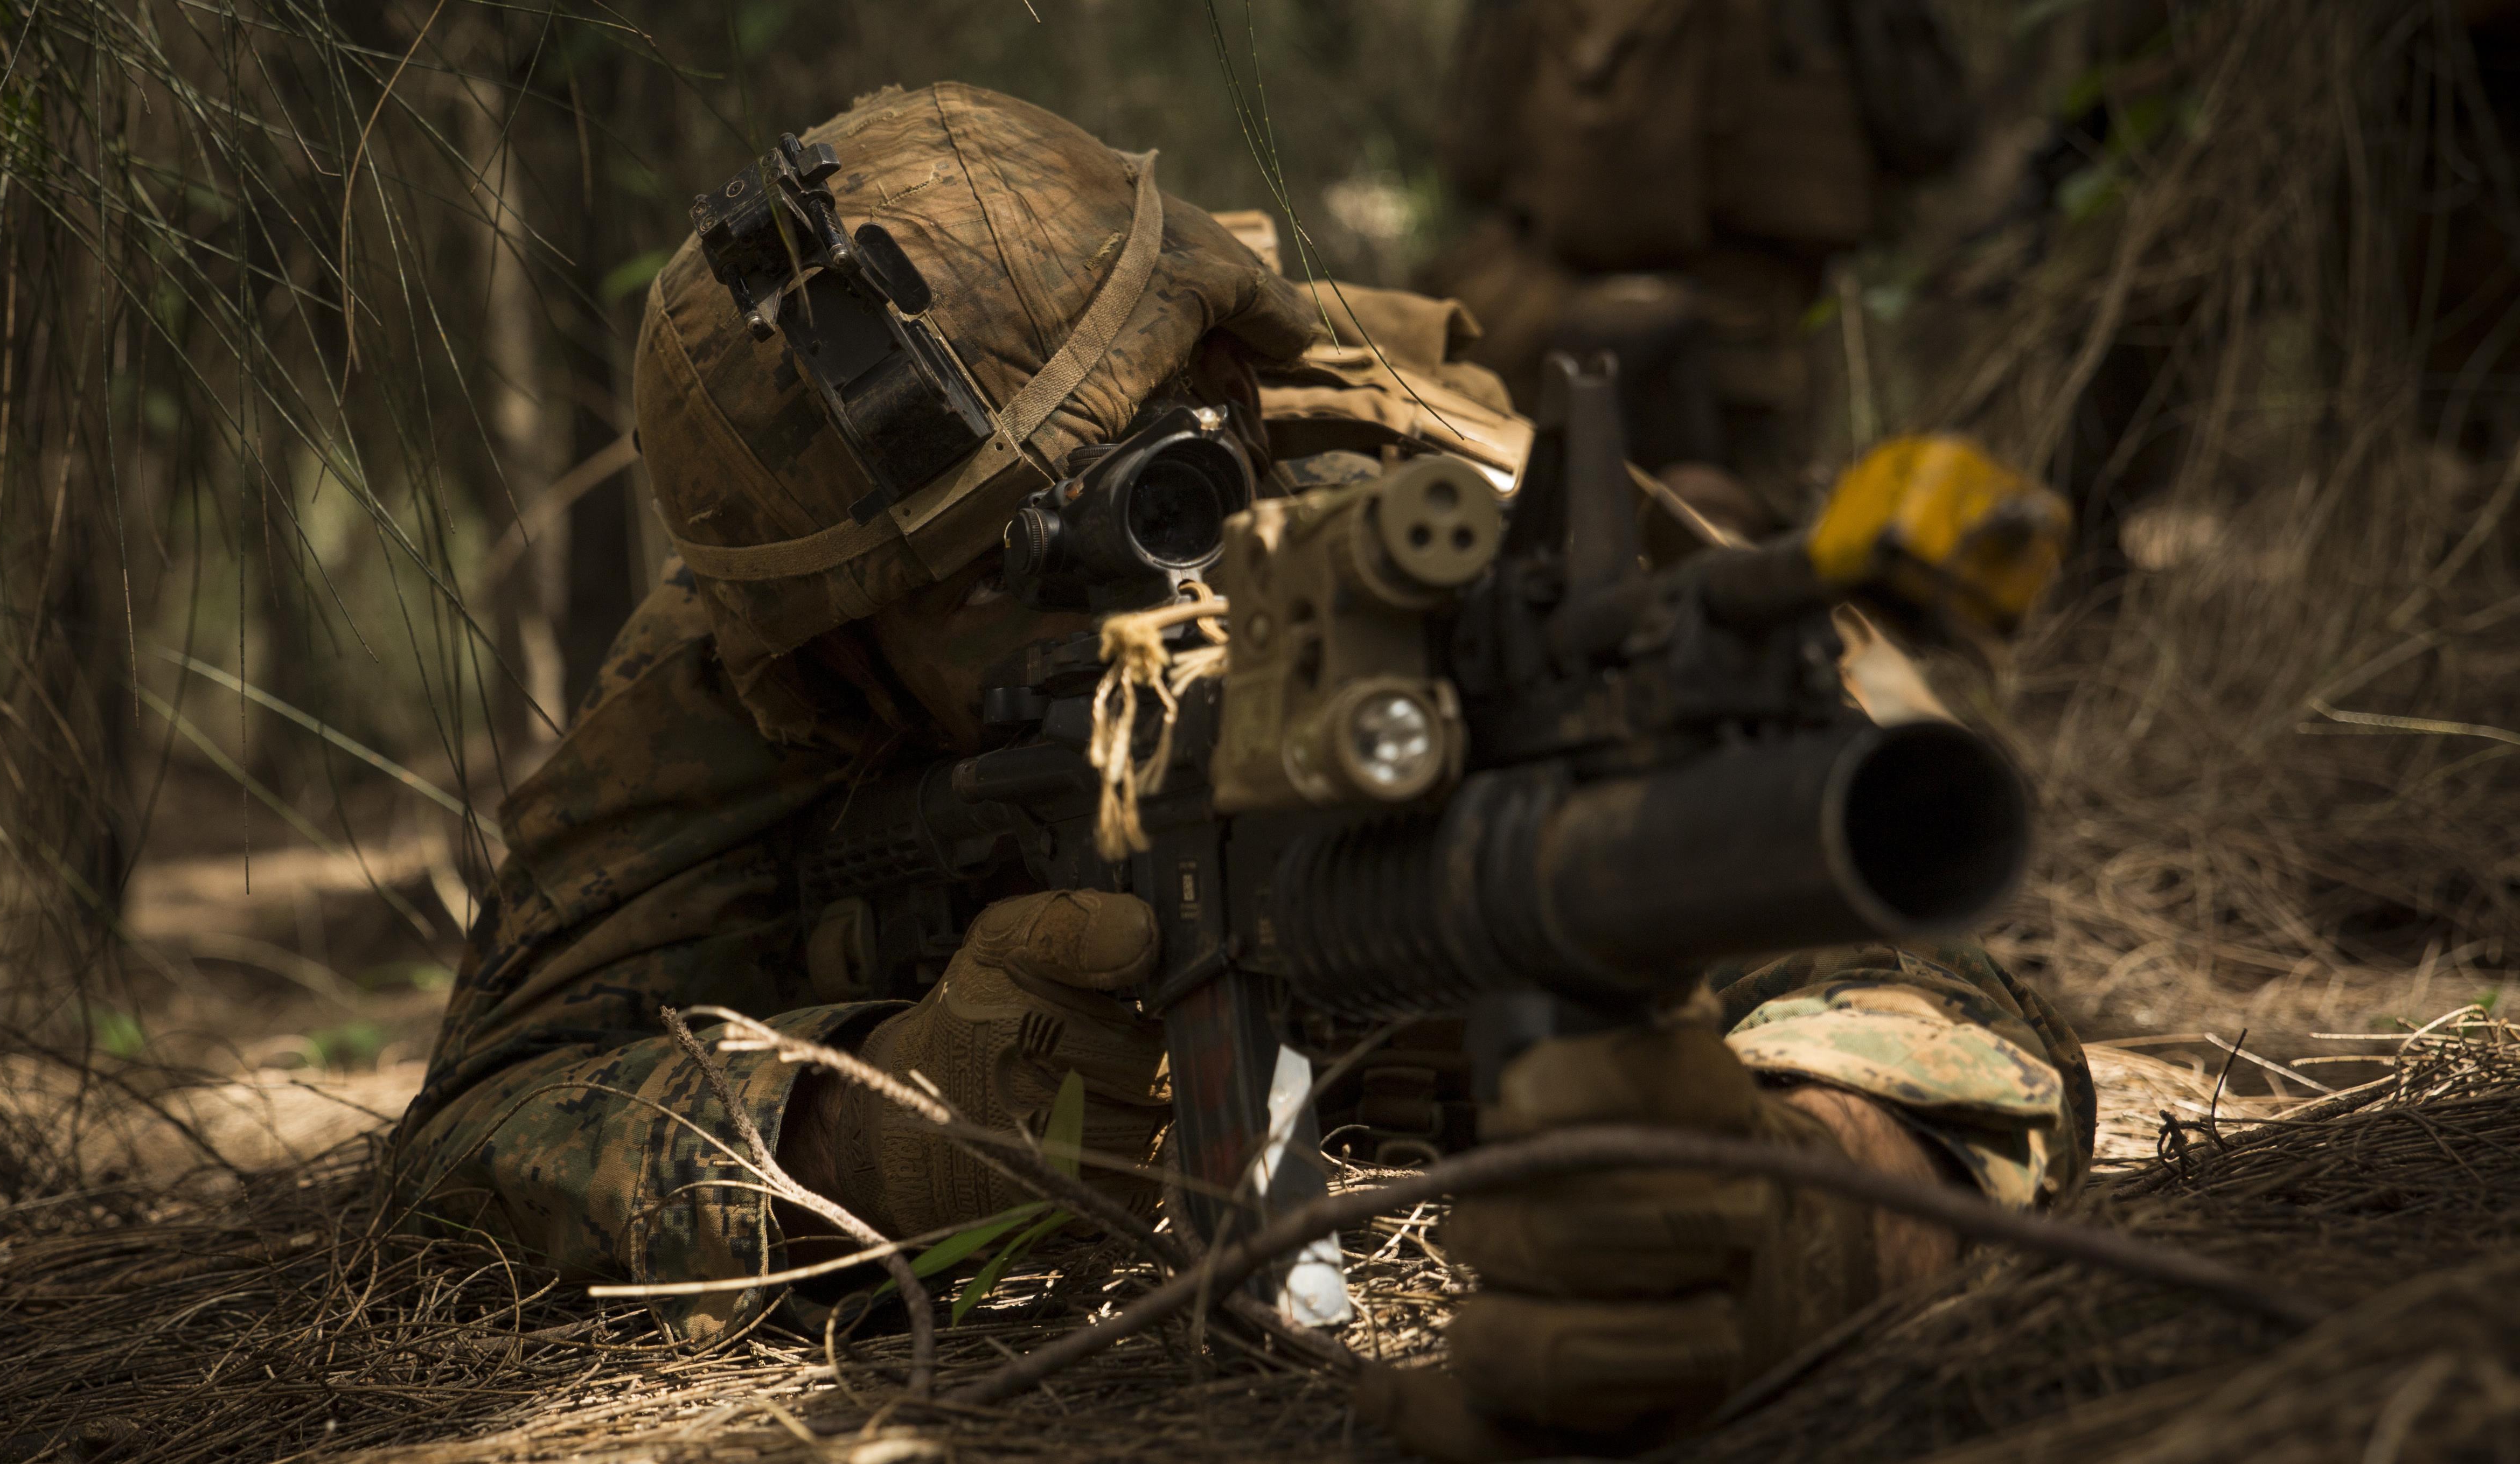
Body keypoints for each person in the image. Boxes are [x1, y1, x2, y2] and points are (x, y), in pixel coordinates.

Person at [388, 82, 2091, 1461]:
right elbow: (465, 1143)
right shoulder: (733, 677)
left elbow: (1914, 969)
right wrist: (870, 1133)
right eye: (980, 580)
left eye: (1164, 467)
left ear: (1223, 365)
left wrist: (1810, 1225)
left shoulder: (1443, 504)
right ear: (840, 645)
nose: (1129, 597)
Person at [1421, 0, 1973, 537]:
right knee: (1736, 543)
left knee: (1540, 539)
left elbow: (1473, 156)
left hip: (1546, 319)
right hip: (1751, 325)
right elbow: (1926, 129)